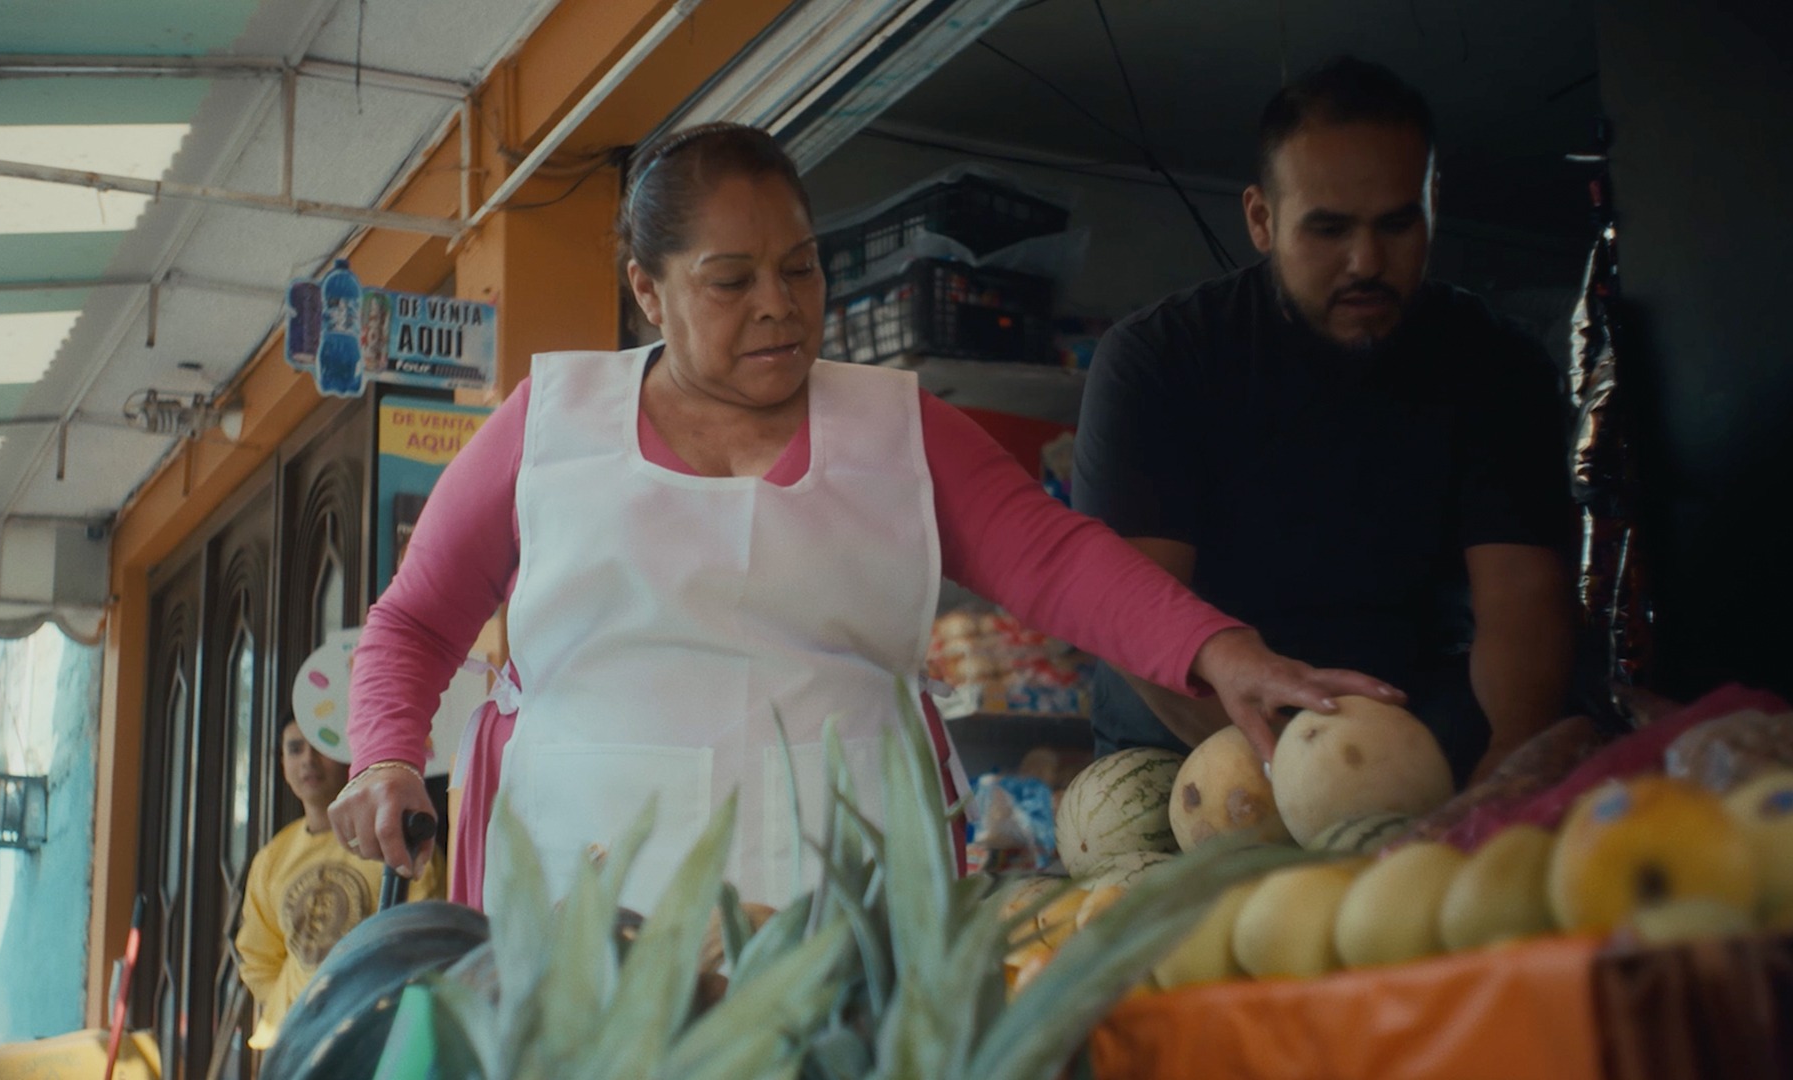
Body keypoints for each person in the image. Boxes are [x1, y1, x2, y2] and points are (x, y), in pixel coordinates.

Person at [331, 122, 1404, 914]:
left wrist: (1217, 649)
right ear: (648, 293)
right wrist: (383, 758)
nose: (779, 305)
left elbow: (1056, 558)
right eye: (730, 280)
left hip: (850, 892)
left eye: (800, 269)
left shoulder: (898, 425)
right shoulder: (549, 424)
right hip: (577, 890)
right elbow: (414, 623)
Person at [1073, 57, 1575, 787]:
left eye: (1398, 224)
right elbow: (1132, 606)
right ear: (1261, 220)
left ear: (1433, 201)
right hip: (1187, 744)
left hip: (1399, 733)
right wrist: (1289, 785)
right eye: (1329, 229)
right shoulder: (1157, 358)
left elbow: (1523, 604)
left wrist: (1506, 770)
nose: (1366, 261)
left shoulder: (1496, 364)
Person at [236, 720, 444, 1050]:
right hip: (296, 1043)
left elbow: (423, 943)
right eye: (294, 749)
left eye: (322, 744)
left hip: (374, 1039)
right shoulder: (271, 858)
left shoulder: (391, 838)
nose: (308, 760)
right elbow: (257, 957)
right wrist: (292, 1013)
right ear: (282, 764)